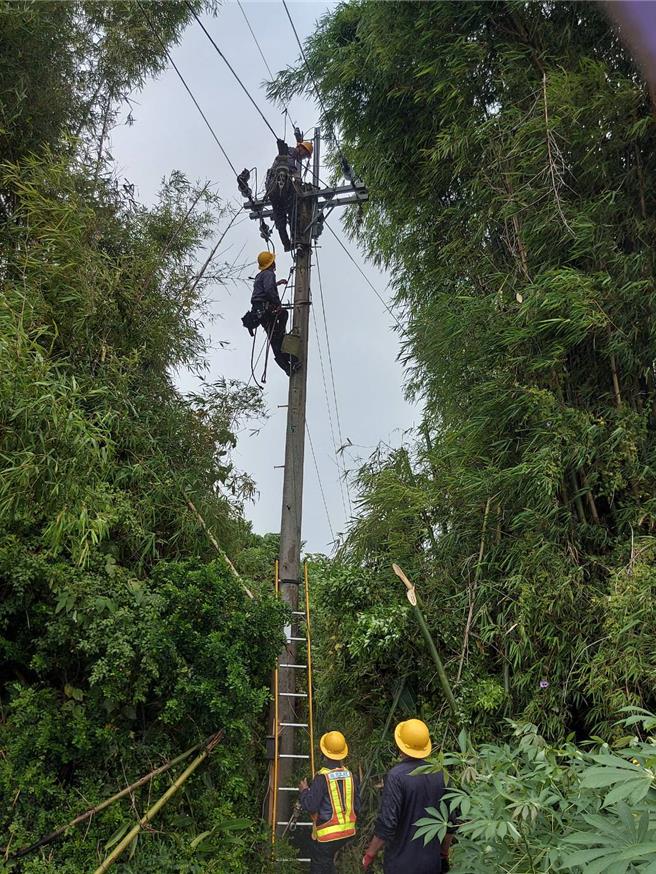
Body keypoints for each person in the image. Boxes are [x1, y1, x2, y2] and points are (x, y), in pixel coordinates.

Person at [362, 719, 454, 873]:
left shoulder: (396, 777)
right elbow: (450, 824)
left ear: (400, 745)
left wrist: (370, 854)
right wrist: (444, 854)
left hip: (401, 865)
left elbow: (387, 824)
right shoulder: (441, 774)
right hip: (431, 864)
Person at [299, 730, 361, 874]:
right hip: (347, 833)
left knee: (320, 867)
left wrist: (304, 791)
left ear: (324, 753)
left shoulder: (322, 778)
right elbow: (357, 806)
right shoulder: (351, 776)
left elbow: (310, 805)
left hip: (327, 835)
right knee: (328, 865)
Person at [244, 251, 299, 376]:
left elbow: (263, 289)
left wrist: (277, 283)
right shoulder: (269, 274)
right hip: (265, 310)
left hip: (260, 311)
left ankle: (287, 363)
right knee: (277, 334)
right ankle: (288, 364)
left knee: (275, 334)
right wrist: (277, 303)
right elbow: (268, 290)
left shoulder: (260, 275)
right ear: (271, 263)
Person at [266, 127, 313, 251]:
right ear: (301, 148)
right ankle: (296, 239)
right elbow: (290, 167)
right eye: (304, 154)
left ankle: (287, 244)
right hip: (279, 186)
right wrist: (296, 180)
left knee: (280, 217)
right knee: (293, 211)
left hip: (274, 191)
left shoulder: (290, 154)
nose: (303, 158)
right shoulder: (290, 152)